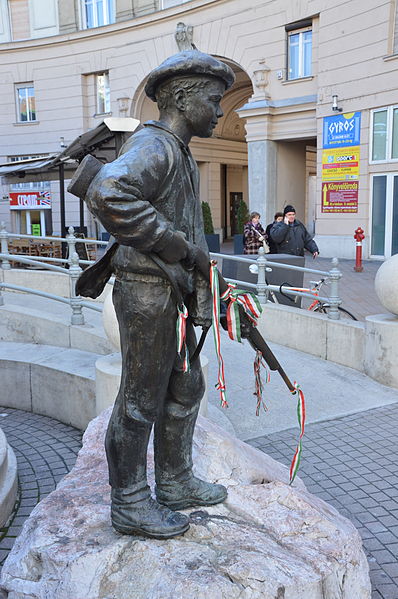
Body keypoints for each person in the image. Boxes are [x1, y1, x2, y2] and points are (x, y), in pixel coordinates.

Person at [81, 50, 235, 539]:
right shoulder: (157, 146)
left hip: (171, 291)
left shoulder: (179, 151)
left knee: (185, 385)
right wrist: (175, 244)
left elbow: (190, 233)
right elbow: (108, 192)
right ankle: (129, 501)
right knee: (140, 399)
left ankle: (173, 480)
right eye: (214, 100)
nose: (219, 111)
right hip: (147, 292)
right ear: (184, 97)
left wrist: (203, 280)